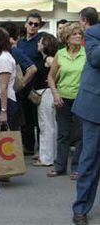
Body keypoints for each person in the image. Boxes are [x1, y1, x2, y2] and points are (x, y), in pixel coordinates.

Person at [47, 23, 85, 180]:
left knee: (80, 135)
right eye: (74, 34)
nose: (78, 36)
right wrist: (55, 94)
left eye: (79, 34)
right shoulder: (60, 54)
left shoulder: (87, 53)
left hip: (82, 99)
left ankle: (77, 167)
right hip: (62, 99)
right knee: (62, 134)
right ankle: (60, 166)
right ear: (67, 38)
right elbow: (50, 76)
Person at [72, 22, 100, 225]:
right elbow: (96, 58)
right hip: (95, 109)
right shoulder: (92, 32)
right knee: (90, 160)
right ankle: (81, 208)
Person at [17, 13, 43, 156]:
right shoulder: (21, 42)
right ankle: (28, 146)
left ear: (39, 26)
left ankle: (41, 150)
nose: (33, 26)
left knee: (39, 120)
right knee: (25, 119)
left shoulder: (41, 41)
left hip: (37, 86)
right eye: (30, 23)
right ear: (25, 24)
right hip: (22, 86)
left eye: (36, 24)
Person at [32, 33, 59, 167]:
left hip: (45, 93)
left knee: (45, 125)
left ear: (44, 45)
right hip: (47, 93)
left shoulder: (48, 59)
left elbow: (58, 70)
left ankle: (46, 158)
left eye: (40, 42)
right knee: (50, 125)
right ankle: (51, 155)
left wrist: (50, 81)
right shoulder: (48, 59)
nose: (37, 44)